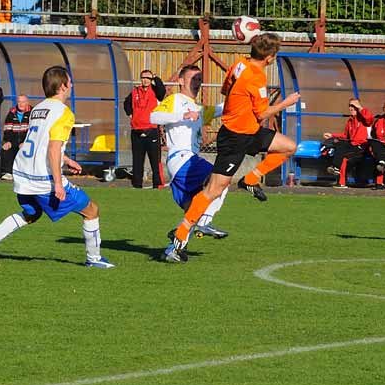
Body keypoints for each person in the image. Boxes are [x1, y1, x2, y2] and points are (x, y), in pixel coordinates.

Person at [162, 32, 301, 263]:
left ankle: (251, 179)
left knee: (288, 147)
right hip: (235, 138)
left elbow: (226, 91)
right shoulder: (257, 78)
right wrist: (286, 103)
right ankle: (181, 233)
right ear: (270, 57)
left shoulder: (239, 65)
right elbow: (263, 113)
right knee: (213, 190)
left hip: (250, 131)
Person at [0, 66, 114, 268]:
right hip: (42, 177)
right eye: (70, 81)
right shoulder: (64, 113)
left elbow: (42, 142)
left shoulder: (38, 108)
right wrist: (58, 183)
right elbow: (53, 147)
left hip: (23, 172)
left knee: (31, 213)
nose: (72, 85)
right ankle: (94, 259)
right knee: (91, 210)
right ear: (64, 86)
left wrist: (66, 159)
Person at [150, 64, 229, 238]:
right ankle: (205, 223)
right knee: (221, 179)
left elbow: (219, 109)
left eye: (199, 79)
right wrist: (181, 115)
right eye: (192, 78)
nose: (197, 82)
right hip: (182, 157)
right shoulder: (175, 99)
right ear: (180, 81)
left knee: (193, 211)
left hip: (183, 163)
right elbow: (154, 116)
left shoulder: (199, 108)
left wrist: (239, 94)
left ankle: (173, 249)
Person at [124, 69, 166, 188]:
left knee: (155, 160)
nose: (145, 80)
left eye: (148, 78)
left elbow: (162, 91)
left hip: (151, 130)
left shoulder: (155, 91)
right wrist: (131, 115)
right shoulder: (135, 91)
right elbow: (126, 104)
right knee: (137, 161)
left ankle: (157, 184)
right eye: (143, 78)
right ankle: (137, 185)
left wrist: (156, 78)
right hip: (137, 131)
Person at [322, 97, 374, 188]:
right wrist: (332, 135)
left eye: (354, 105)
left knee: (344, 156)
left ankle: (338, 172)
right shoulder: (350, 120)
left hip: (361, 146)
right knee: (339, 145)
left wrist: (360, 107)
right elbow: (346, 136)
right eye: (350, 105)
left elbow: (369, 118)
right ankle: (338, 172)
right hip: (351, 145)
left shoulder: (363, 118)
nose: (352, 108)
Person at [0, 94, 32, 180]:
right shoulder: (12, 113)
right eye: (19, 102)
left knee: (25, 148)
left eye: (23, 102)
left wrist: (25, 142)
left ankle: (25, 172)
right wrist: (8, 141)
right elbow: (7, 129)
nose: (21, 104)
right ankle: (8, 172)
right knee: (6, 147)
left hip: (27, 141)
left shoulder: (32, 113)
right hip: (14, 139)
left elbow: (32, 131)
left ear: (27, 103)